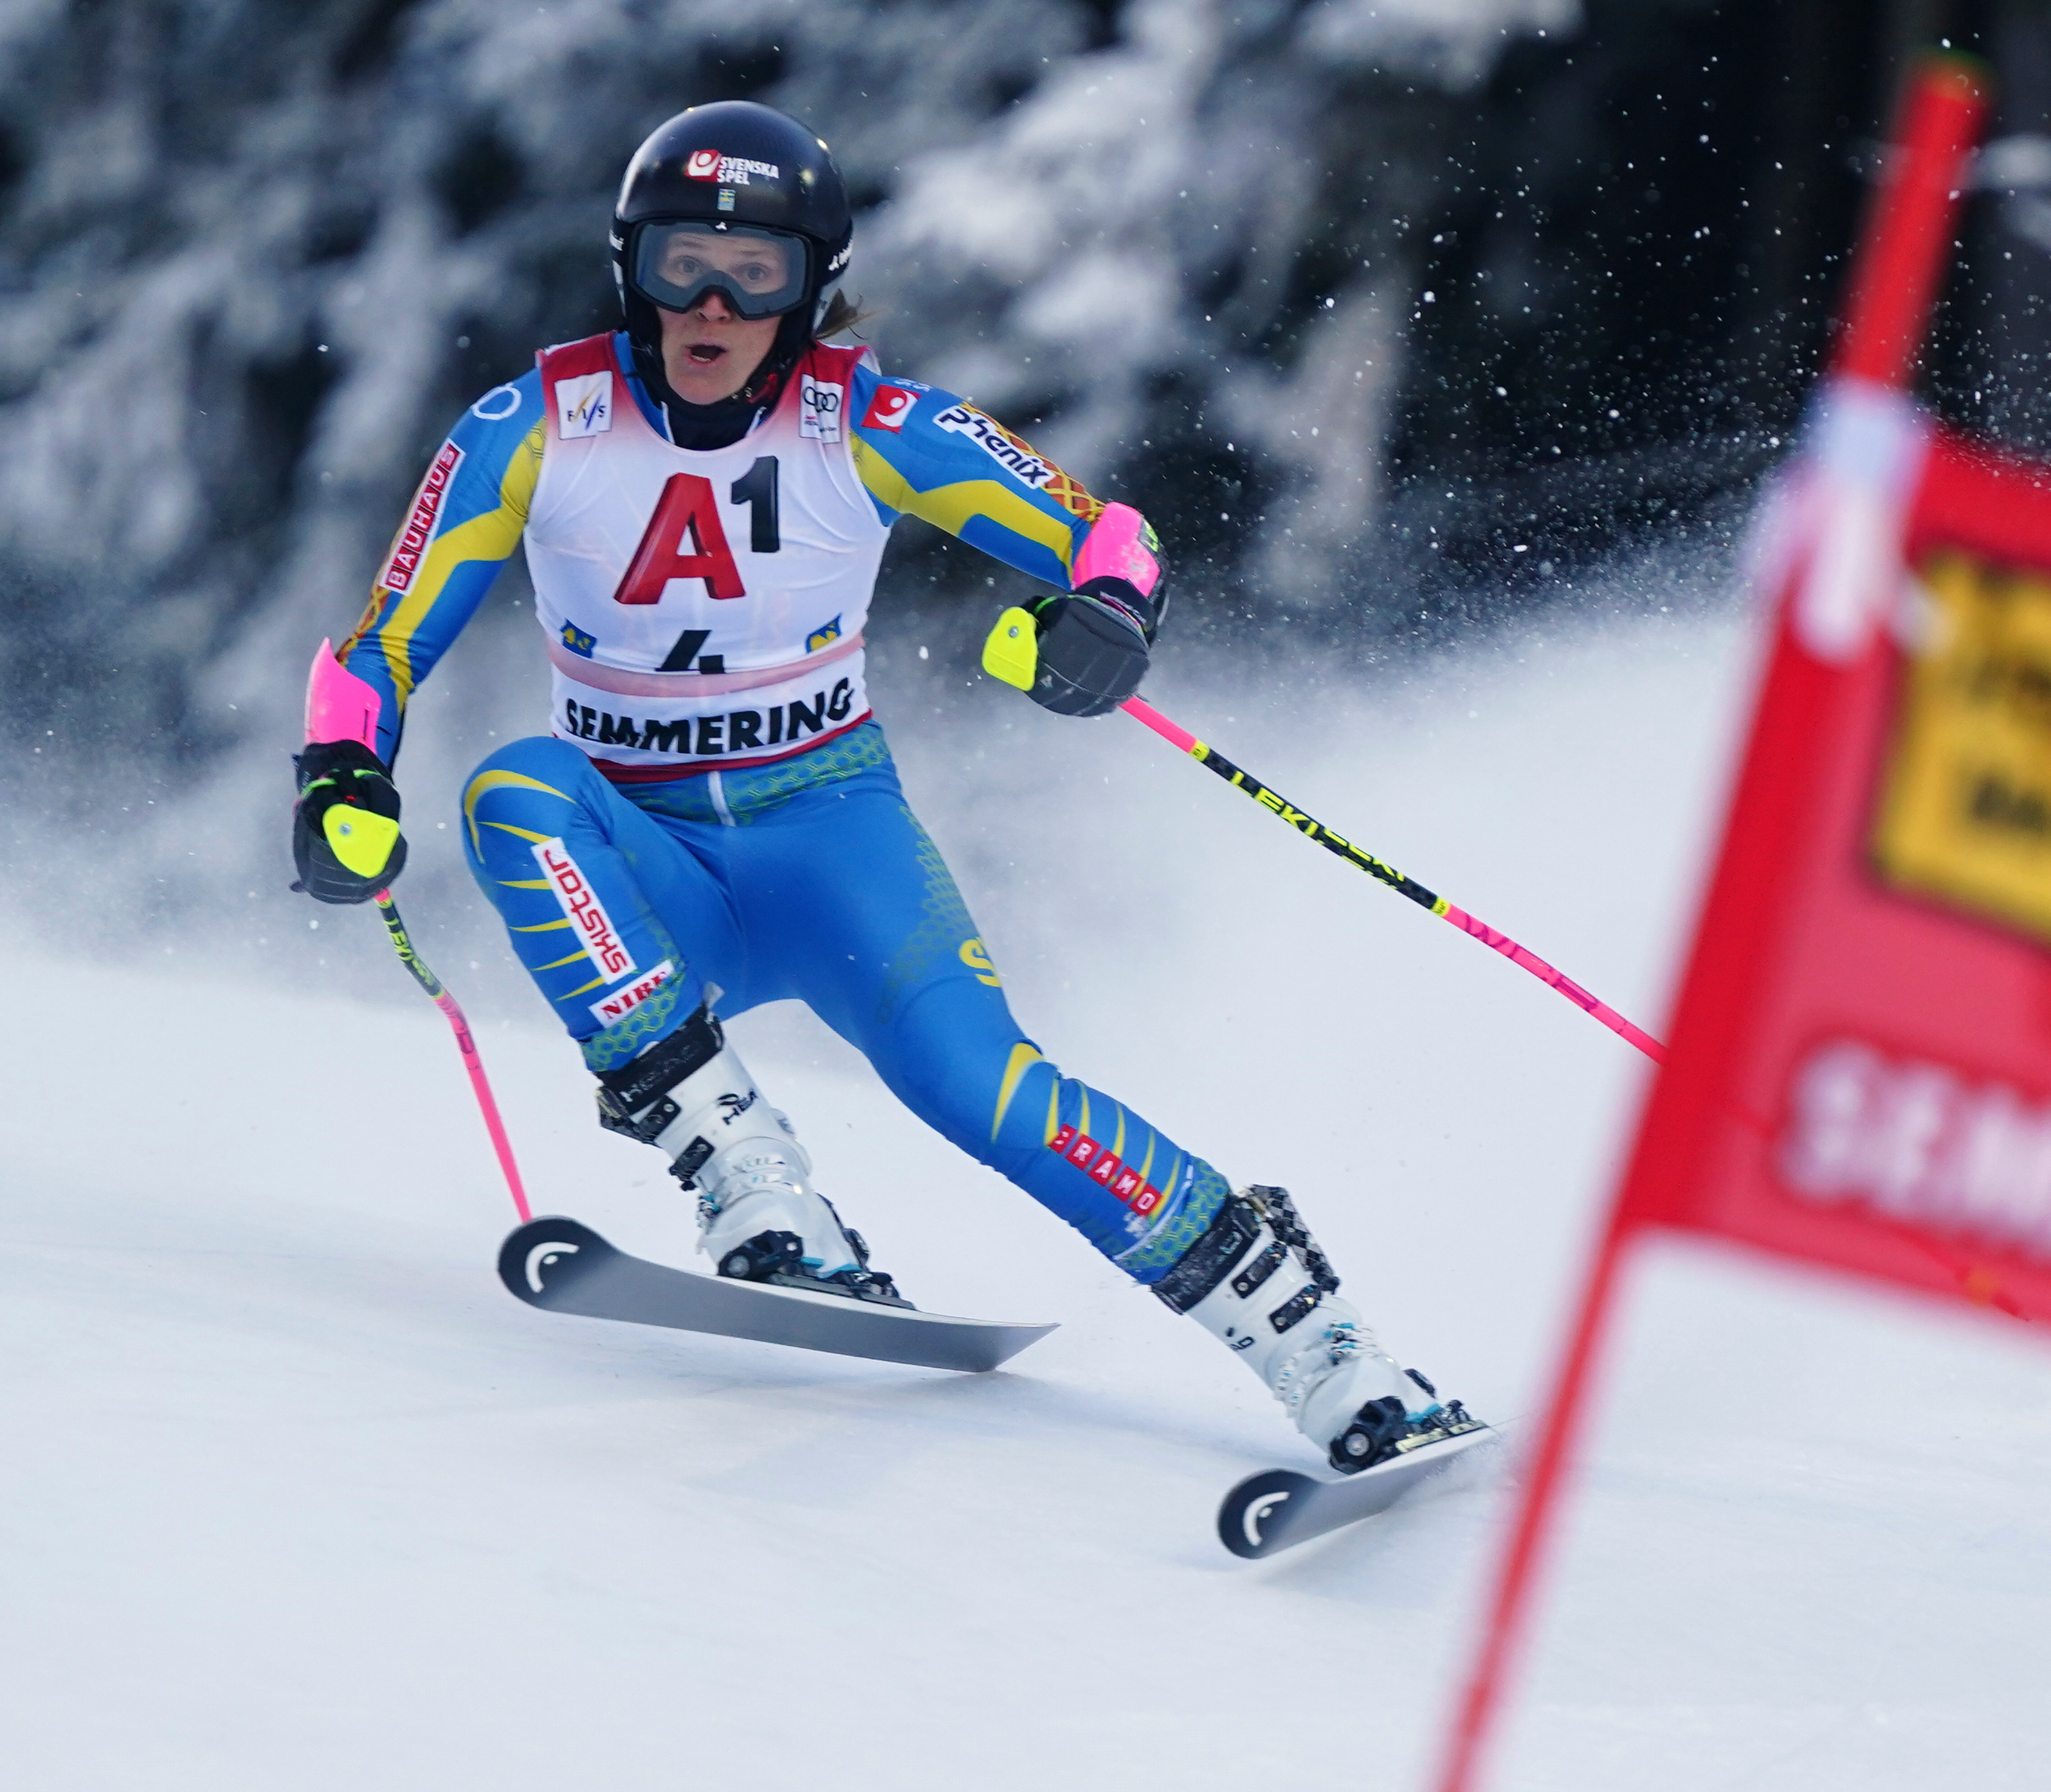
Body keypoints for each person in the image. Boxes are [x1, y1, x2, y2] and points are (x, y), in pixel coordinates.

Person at [288, 100, 1472, 1474]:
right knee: (513, 795)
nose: (714, 304)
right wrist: (339, 774)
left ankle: (1329, 1351)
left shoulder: (864, 419)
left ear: (814, 288)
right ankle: (751, 1182)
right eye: (681, 262)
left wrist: (1105, 614)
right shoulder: (537, 426)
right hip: (649, 862)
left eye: (758, 272)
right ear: (631, 266)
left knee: (987, 1091)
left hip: (830, 846)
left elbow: (1109, 537)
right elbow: (378, 640)